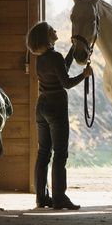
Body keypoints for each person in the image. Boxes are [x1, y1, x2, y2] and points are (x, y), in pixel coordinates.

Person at [26, 21, 92, 210]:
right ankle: (59, 197)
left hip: (42, 106)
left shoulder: (42, 59)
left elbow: (62, 67)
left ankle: (41, 198)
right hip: (56, 107)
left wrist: (73, 49)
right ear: (47, 37)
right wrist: (85, 75)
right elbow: (67, 83)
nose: (55, 31)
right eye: (51, 30)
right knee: (60, 154)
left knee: (43, 153)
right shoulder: (54, 57)